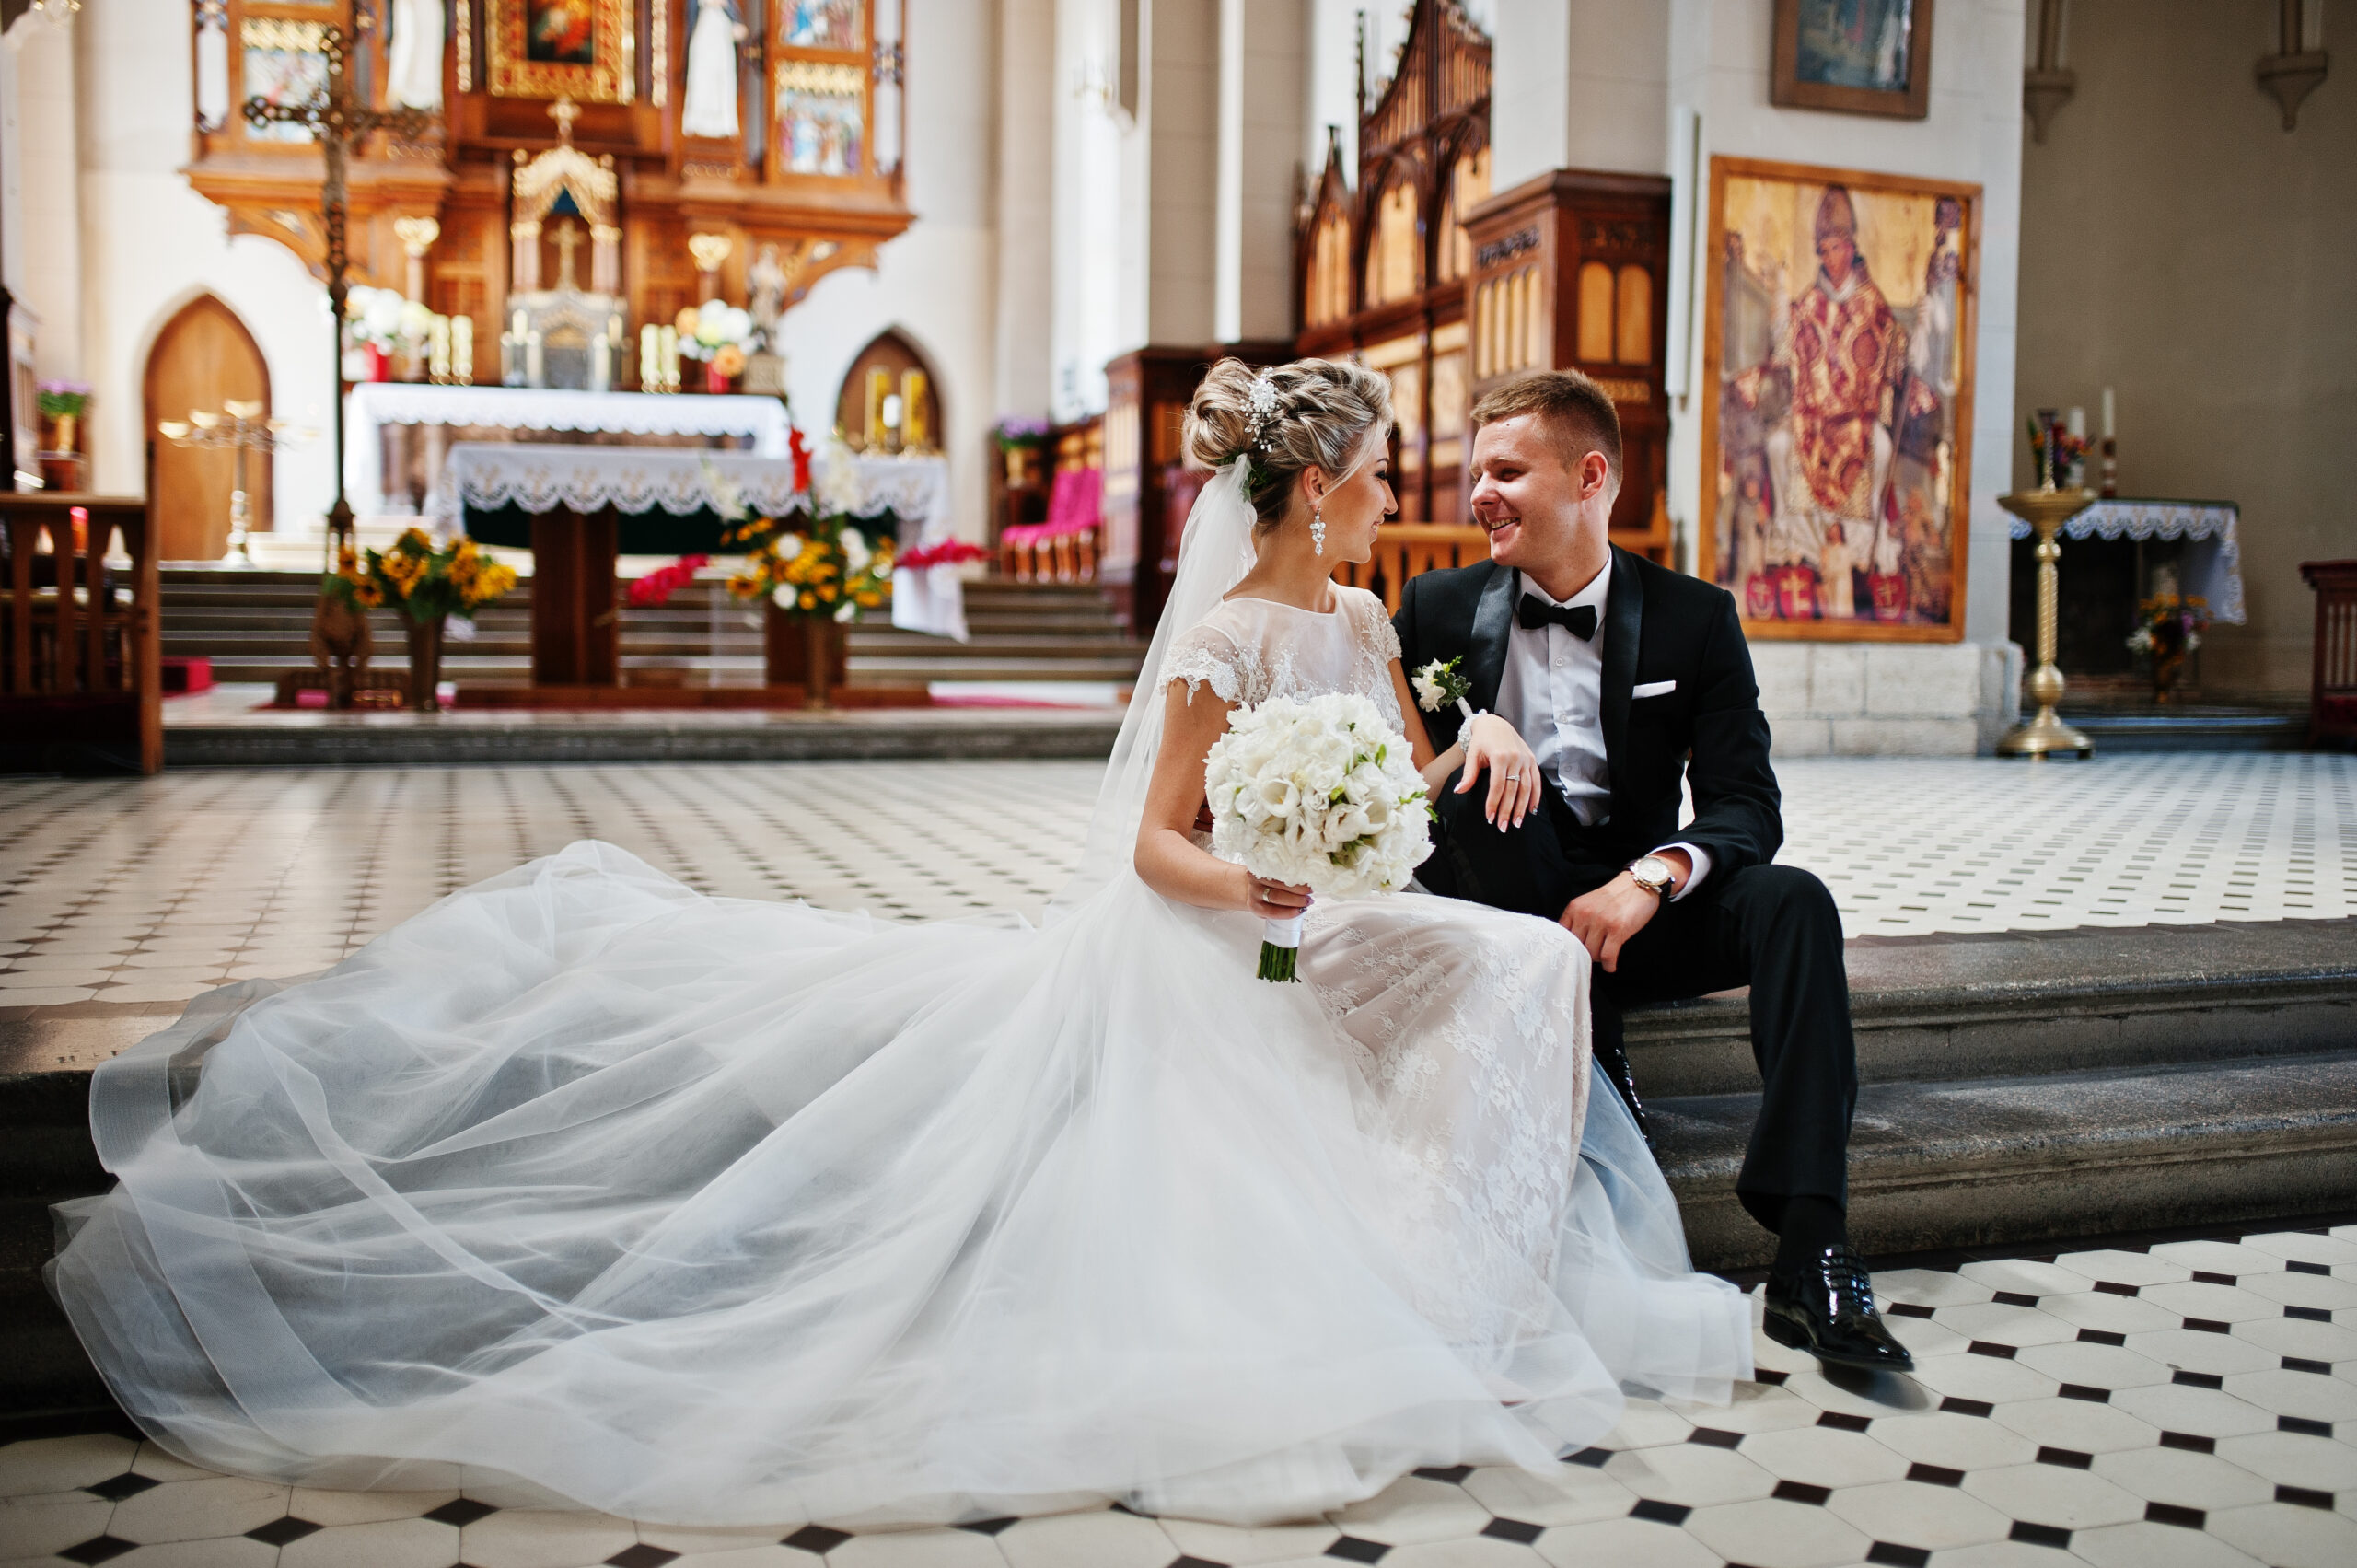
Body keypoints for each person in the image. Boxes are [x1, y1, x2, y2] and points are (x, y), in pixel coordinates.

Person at [51, 359, 1750, 1531]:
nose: (1403, 493)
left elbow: (1410, 767)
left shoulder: (1371, 615)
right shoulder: (1229, 637)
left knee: (1532, 959)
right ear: (1320, 484)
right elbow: (1159, 842)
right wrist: (1254, 887)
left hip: (1347, 911)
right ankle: (1420, 1287)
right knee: (1459, 977)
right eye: (1383, 470)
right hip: (1236, 931)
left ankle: (1467, 1277)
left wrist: (1477, 743)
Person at [1396, 367, 1912, 1374]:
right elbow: (1400, 786)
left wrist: (1650, 878)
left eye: (1507, 471)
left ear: (1590, 477)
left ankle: (1812, 1249)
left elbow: (1745, 802)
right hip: (1511, 919)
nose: (1479, 494)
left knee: (1795, 903)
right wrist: (1475, 740)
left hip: (1632, 907)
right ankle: (1590, 1037)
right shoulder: (1437, 608)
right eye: (1477, 472)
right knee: (1472, 796)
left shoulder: (1693, 616)